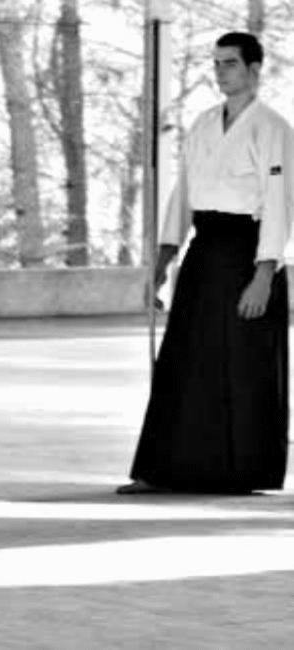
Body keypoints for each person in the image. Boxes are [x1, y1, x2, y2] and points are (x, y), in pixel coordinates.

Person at [119, 32, 292, 496]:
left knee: (242, 365)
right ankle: (163, 470)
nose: (220, 72)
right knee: (184, 359)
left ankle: (242, 472)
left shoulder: (273, 128)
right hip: (204, 251)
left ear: (254, 69)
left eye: (229, 63)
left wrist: (264, 274)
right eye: (216, 64)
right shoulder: (202, 124)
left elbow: (280, 203)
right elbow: (183, 193)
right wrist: (162, 260)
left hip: (247, 253)